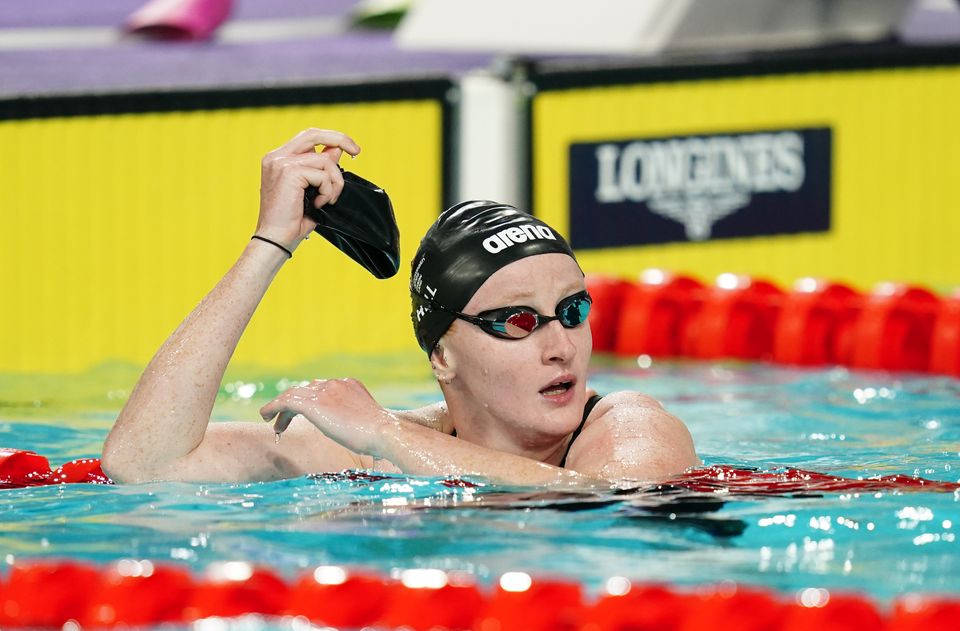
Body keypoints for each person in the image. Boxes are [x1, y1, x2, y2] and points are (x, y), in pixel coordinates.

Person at [101, 128, 699, 486]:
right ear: (442, 355)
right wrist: (270, 244)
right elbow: (142, 464)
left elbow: (618, 501)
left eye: (572, 310)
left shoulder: (625, 424)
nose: (561, 345)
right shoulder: (371, 443)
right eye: (518, 321)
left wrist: (383, 434)